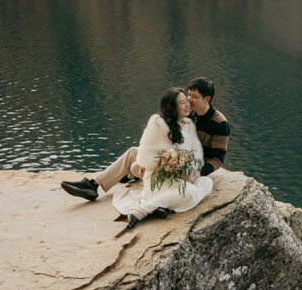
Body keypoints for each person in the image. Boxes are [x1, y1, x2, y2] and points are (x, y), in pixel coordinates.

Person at [61, 76, 230, 201]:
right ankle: (94, 185)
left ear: (206, 99)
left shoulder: (220, 123)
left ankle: (137, 182)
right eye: (189, 95)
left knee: (136, 166)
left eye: (194, 96)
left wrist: (197, 173)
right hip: (173, 158)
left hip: (191, 168)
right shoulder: (187, 112)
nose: (189, 99)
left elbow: (217, 159)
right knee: (135, 153)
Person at [110, 87, 212, 227]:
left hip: (181, 176)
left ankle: (159, 206)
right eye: (182, 102)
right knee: (189, 192)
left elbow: (197, 154)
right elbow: (146, 154)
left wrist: (190, 170)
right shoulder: (158, 122)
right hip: (159, 176)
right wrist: (167, 165)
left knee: (207, 182)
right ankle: (143, 210)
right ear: (172, 107)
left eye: (186, 101)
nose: (187, 104)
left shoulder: (189, 125)